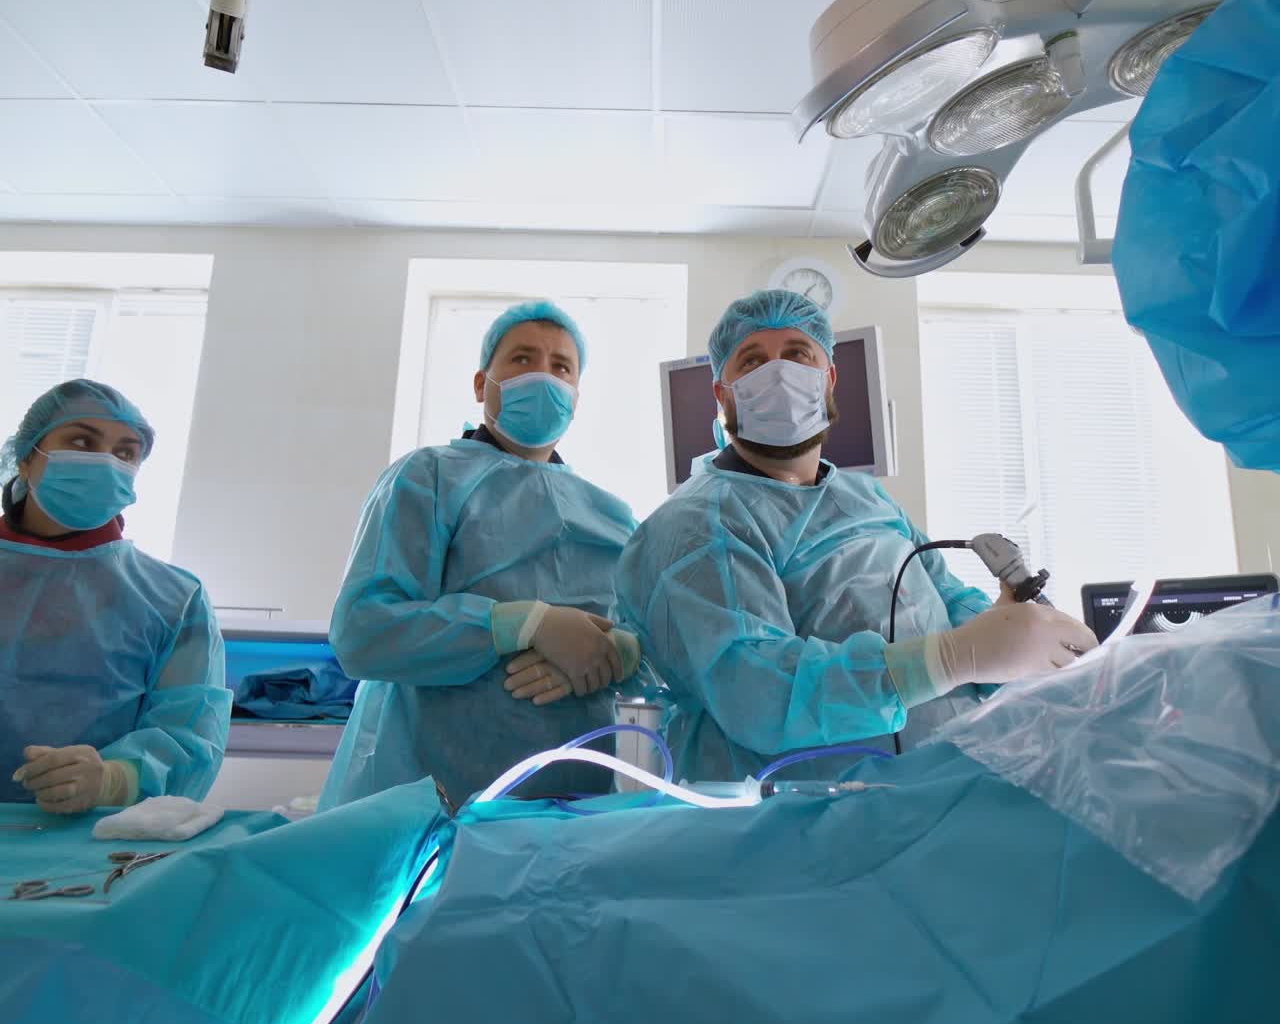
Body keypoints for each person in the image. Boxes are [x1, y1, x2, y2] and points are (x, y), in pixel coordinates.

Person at [614, 289, 1098, 782]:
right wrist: (954, 658)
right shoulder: (696, 526)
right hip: (793, 821)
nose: (777, 372)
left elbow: (945, 598)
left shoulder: (868, 497)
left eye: (797, 355)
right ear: (722, 394)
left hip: (930, 787)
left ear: (829, 378)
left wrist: (1015, 633)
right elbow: (759, 693)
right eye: (753, 361)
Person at [322, 300, 644, 812]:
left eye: (561, 366)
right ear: (481, 385)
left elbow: (660, 644)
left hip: (574, 800)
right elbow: (364, 632)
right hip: (428, 799)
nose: (543, 375)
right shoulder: (427, 478)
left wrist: (618, 655)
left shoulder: (613, 515)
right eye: (522, 359)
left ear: (575, 397)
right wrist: (520, 624)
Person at [0, 379, 230, 813]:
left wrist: (114, 779)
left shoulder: (173, 599)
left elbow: (191, 735)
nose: (104, 462)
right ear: (27, 457)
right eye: (82, 441)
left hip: (90, 842)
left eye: (126, 453)